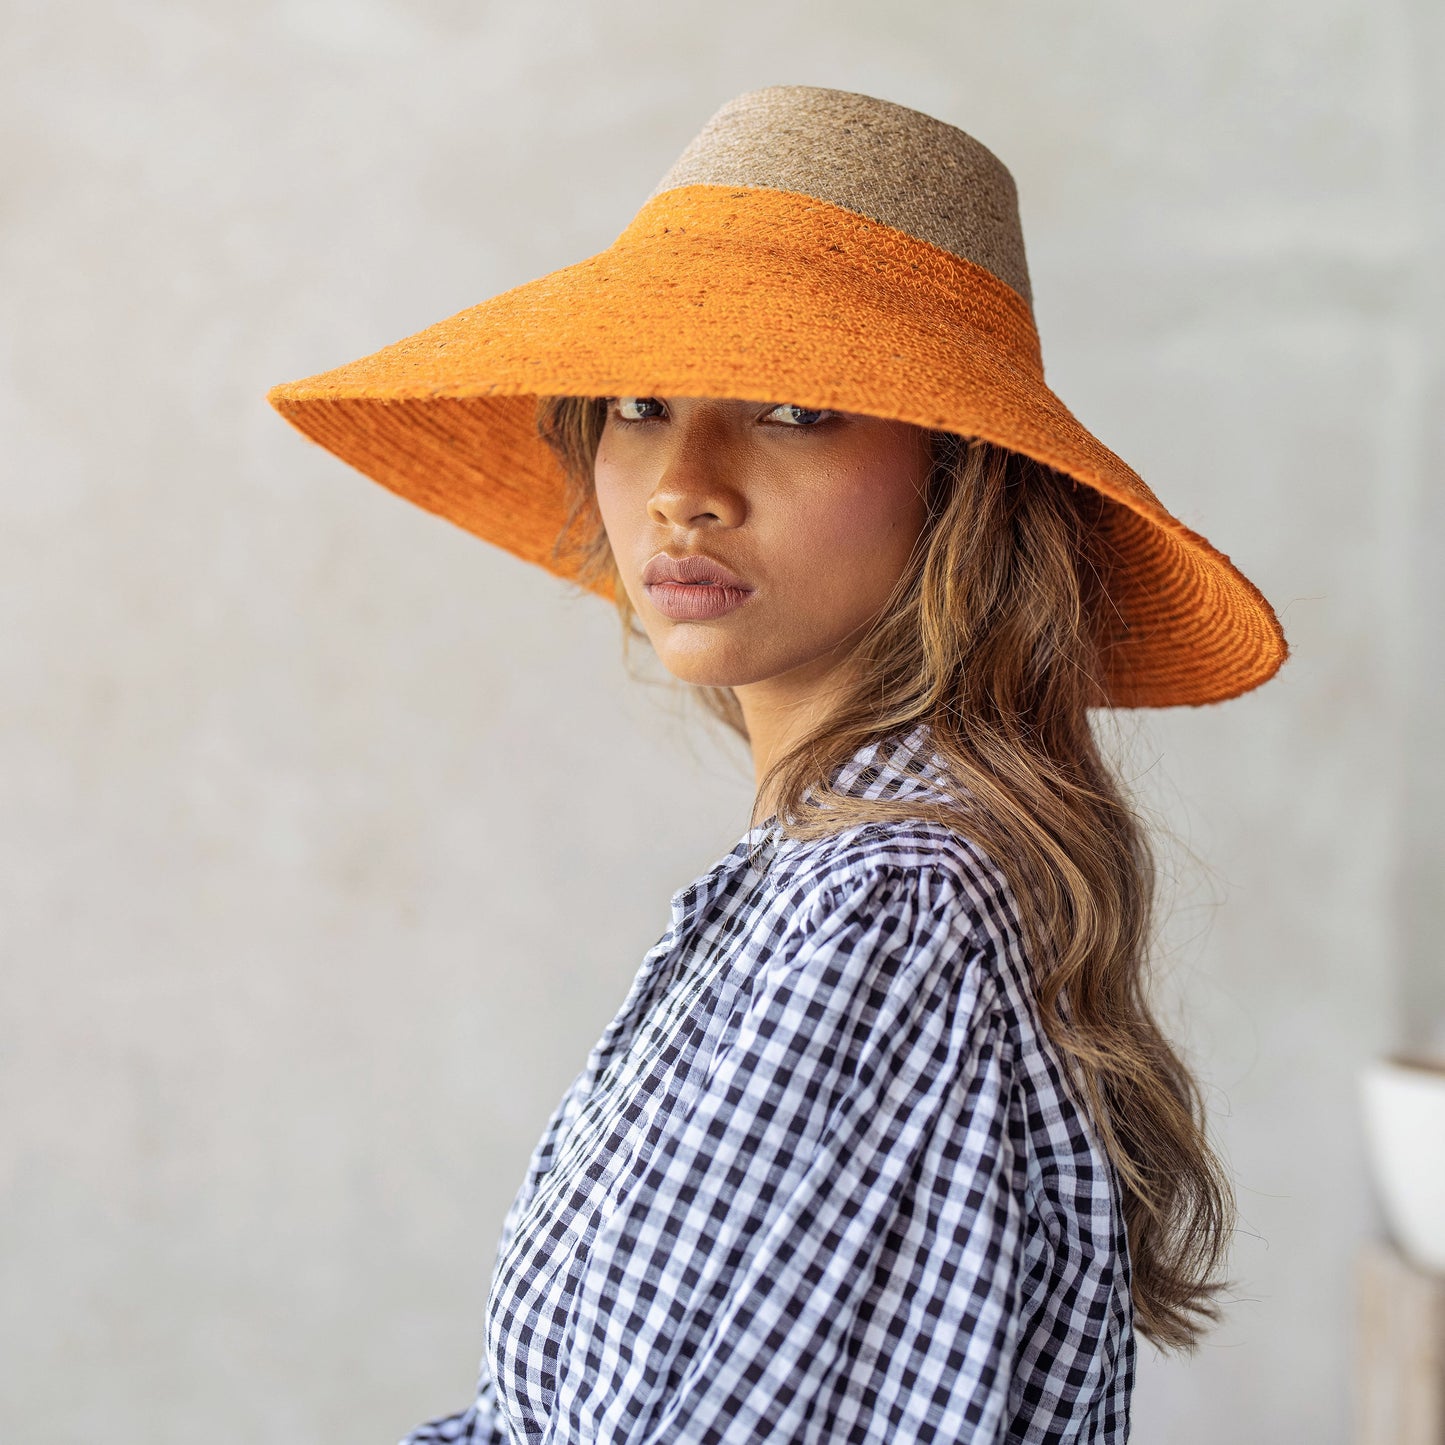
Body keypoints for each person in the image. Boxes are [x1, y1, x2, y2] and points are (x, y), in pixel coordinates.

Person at [267, 84, 1287, 1445]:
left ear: (957, 476)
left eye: (796, 407)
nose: (684, 482)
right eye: (636, 403)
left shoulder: (886, 910)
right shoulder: (820, 880)